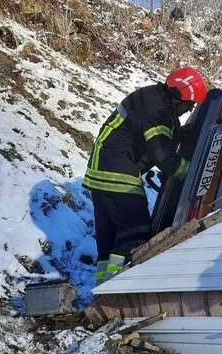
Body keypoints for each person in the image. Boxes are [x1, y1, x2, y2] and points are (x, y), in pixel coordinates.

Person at [84, 67, 209, 284]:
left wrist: (177, 135)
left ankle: (102, 288)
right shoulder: (159, 111)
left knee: (110, 240)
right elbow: (162, 156)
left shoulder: (152, 97)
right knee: (136, 229)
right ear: (179, 95)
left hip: (100, 172)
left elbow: (143, 135)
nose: (187, 111)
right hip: (117, 173)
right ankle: (117, 286)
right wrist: (194, 172)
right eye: (189, 105)